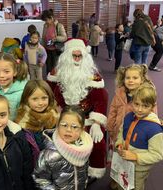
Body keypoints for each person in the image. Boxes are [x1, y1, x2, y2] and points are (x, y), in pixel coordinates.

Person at [47, 38, 108, 179]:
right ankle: (63, 171)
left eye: (79, 56)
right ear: (66, 57)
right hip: (63, 118)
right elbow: (46, 92)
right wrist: (54, 110)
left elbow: (101, 99)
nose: (76, 59)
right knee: (57, 144)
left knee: (97, 145)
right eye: (73, 56)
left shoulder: (93, 76)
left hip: (87, 119)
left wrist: (97, 123)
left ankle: (93, 172)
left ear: (84, 57)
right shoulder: (56, 74)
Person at [106, 64, 155, 190]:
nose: (131, 80)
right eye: (128, 77)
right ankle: (116, 180)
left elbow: (153, 116)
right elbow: (113, 110)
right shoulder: (120, 93)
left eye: (135, 77)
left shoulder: (147, 95)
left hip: (135, 138)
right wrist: (110, 127)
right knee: (117, 158)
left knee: (131, 163)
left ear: (142, 79)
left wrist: (147, 135)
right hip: (118, 133)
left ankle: (132, 183)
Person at [115, 84, 163, 190]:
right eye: (136, 104)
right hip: (123, 162)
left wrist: (136, 156)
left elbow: (157, 155)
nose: (139, 109)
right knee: (122, 183)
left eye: (145, 106)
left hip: (138, 169)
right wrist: (119, 144)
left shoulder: (155, 130)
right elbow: (121, 132)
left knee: (135, 187)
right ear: (132, 102)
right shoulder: (128, 117)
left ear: (153, 106)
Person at [33, 105, 93, 189]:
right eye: (64, 125)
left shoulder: (85, 147)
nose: (68, 130)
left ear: (82, 129)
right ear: (58, 125)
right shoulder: (48, 154)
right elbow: (40, 179)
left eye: (74, 127)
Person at [15, 80, 58, 151]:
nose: (40, 103)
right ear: (26, 100)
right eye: (35, 99)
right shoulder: (23, 123)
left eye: (44, 98)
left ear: (49, 97)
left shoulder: (54, 115)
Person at [0, 53, 28, 121]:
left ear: (14, 72)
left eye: (6, 72)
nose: (1, 75)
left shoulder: (22, 93)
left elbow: (26, 115)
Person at [41, 9, 67, 74]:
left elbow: (64, 37)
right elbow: (44, 37)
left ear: (51, 18)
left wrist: (56, 38)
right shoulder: (45, 25)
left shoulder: (59, 26)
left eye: (46, 20)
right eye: (45, 20)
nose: (45, 22)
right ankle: (49, 80)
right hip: (47, 49)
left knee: (55, 67)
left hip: (56, 50)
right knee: (48, 67)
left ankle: (54, 81)